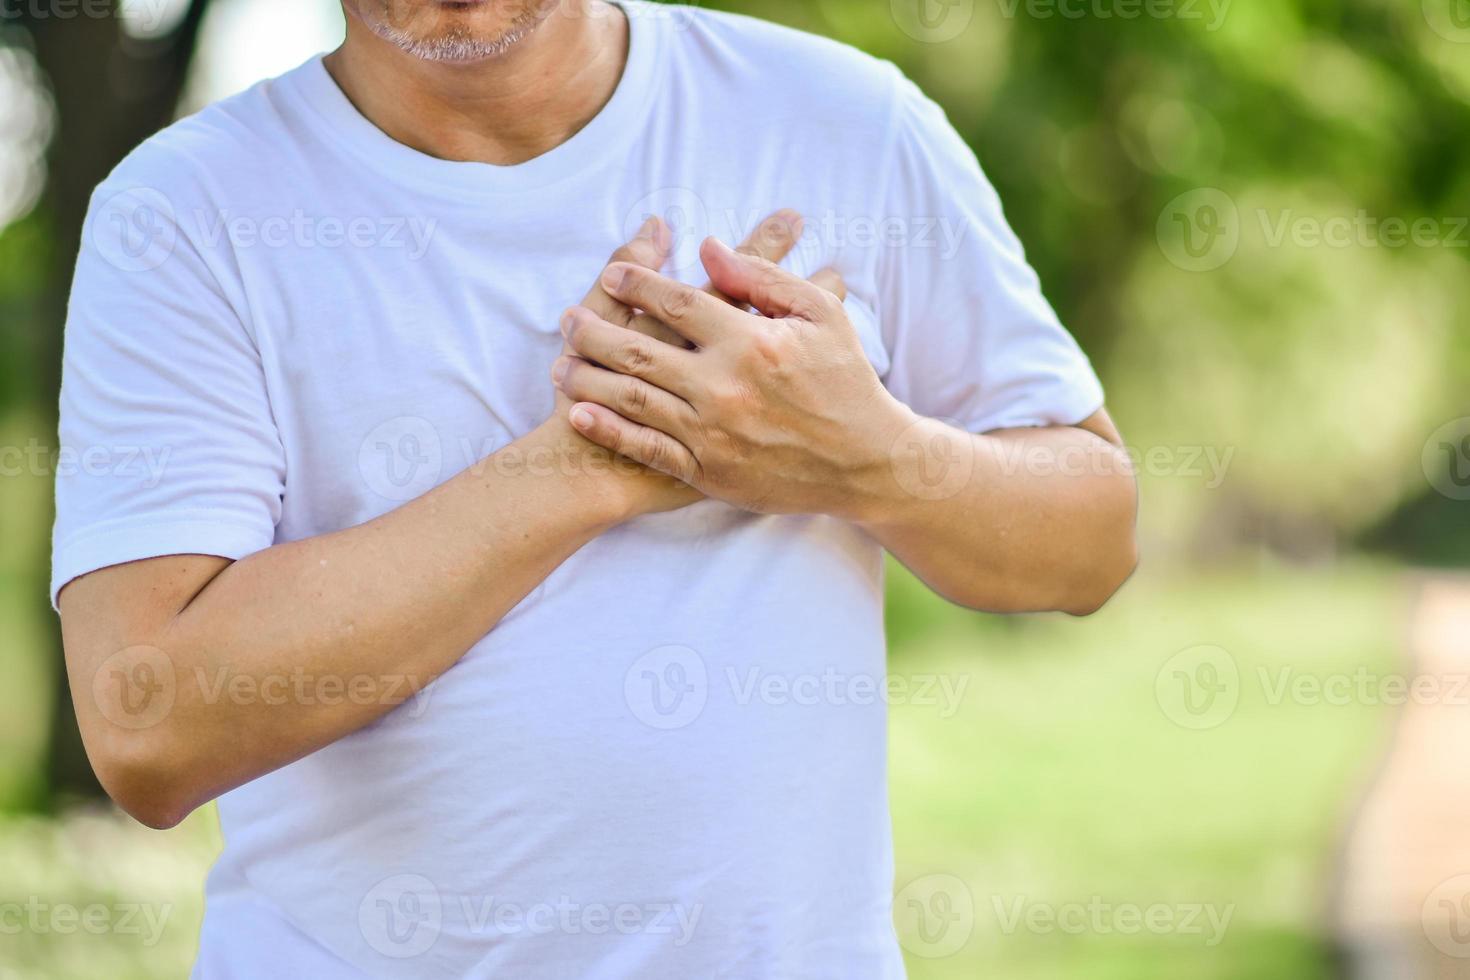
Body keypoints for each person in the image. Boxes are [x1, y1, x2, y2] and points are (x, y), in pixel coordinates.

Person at [53, 0, 1138, 975]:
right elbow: (148, 727)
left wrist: (864, 452)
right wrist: (586, 460)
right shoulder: (182, 213)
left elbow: (1094, 537)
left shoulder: (844, 120)